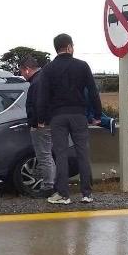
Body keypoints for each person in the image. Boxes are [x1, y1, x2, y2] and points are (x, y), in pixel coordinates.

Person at [37, 33, 101, 205]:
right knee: (83, 154)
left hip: (57, 117)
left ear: (56, 48)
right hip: (79, 115)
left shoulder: (48, 69)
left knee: (61, 155)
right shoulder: (82, 66)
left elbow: (42, 96)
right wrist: (97, 115)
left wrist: (41, 118)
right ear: (70, 46)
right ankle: (86, 194)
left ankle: (63, 195)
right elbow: (93, 92)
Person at [19, 56, 55, 198]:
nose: (22, 75)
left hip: (42, 125)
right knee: (47, 155)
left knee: (44, 155)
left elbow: (40, 102)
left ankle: (48, 186)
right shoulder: (44, 78)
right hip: (49, 122)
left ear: (27, 69)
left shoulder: (37, 82)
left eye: (21, 71)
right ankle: (51, 184)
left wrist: (39, 121)